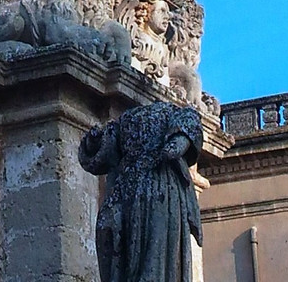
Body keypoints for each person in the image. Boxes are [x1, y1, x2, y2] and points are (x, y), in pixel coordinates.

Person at [79, 102, 203, 282]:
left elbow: (179, 144)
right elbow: (101, 156)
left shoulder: (181, 114)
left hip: (160, 185)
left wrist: (174, 145)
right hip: (125, 185)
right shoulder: (123, 122)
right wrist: (94, 141)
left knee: (153, 254)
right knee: (107, 229)